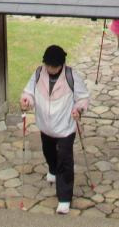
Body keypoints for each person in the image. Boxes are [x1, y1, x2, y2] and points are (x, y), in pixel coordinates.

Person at [20, 45, 90, 215]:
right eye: (48, 65)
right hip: (45, 126)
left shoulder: (71, 76)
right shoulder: (38, 73)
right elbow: (29, 92)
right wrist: (26, 100)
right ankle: (51, 168)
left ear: (61, 64)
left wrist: (78, 109)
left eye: (53, 66)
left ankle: (64, 198)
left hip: (65, 127)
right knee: (48, 151)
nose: (50, 69)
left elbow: (83, 97)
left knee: (65, 160)